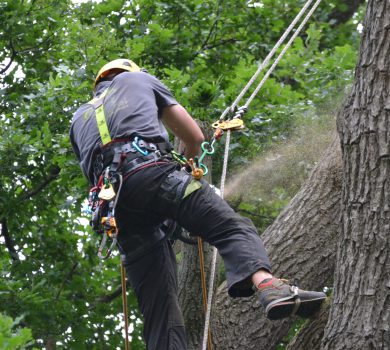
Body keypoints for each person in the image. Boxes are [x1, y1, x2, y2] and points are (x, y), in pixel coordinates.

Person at [70, 59, 326, 350]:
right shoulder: (140, 80)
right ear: (130, 72)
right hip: (155, 174)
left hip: (116, 209)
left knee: (159, 307)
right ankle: (268, 285)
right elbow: (194, 138)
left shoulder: (78, 119)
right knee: (231, 228)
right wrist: (188, 162)